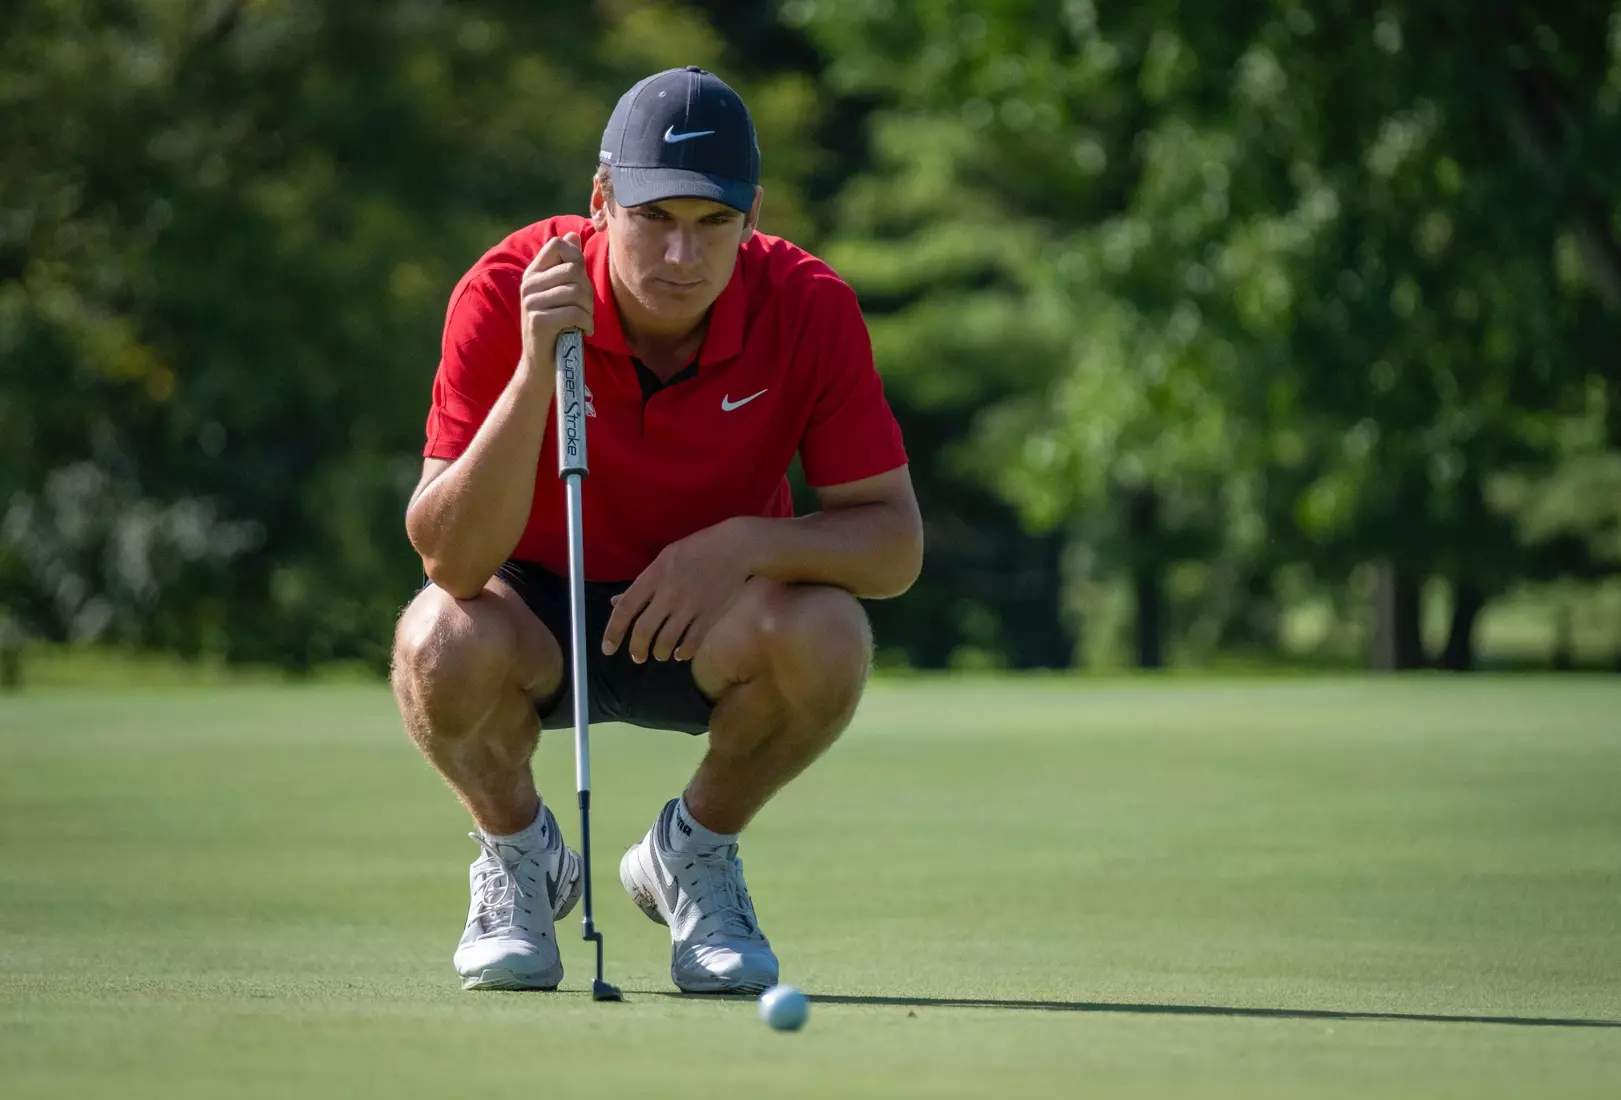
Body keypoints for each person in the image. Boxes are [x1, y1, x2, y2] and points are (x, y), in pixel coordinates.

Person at [390, 66, 922, 995]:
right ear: (602, 200)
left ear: (751, 214)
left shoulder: (807, 305)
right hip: (532, 604)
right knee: (437, 639)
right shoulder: (510, 284)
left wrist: (746, 544)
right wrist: (531, 372)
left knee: (829, 633)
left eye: (714, 223)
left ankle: (694, 855)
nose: (683, 257)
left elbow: (892, 547)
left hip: (712, 615)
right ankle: (518, 859)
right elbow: (450, 557)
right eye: (655, 218)